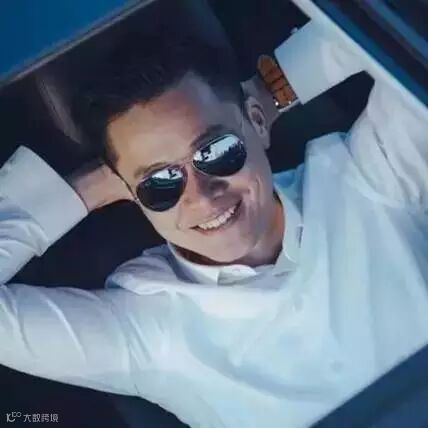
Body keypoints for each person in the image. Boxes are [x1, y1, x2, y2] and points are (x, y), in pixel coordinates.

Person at [0, 13, 427, 428]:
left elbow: (408, 18)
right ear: (128, 193)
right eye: (160, 182)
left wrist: (273, 89)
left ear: (257, 122)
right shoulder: (149, 329)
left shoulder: (370, 179)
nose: (202, 195)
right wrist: (84, 191)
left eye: (216, 151)